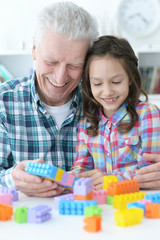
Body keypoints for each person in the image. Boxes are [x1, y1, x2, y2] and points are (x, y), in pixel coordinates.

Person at [0, 2, 98, 197]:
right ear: (35, 49)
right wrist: (13, 178)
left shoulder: (103, 104)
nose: (60, 78)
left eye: (75, 65)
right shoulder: (4, 103)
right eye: (51, 61)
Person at [71, 35, 160, 190]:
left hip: (139, 203)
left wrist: (111, 180)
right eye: (97, 83)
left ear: (130, 78)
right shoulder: (85, 125)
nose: (107, 91)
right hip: (102, 206)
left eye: (116, 82)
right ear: (88, 83)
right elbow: (81, 166)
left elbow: (151, 172)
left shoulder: (148, 115)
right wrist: (70, 179)